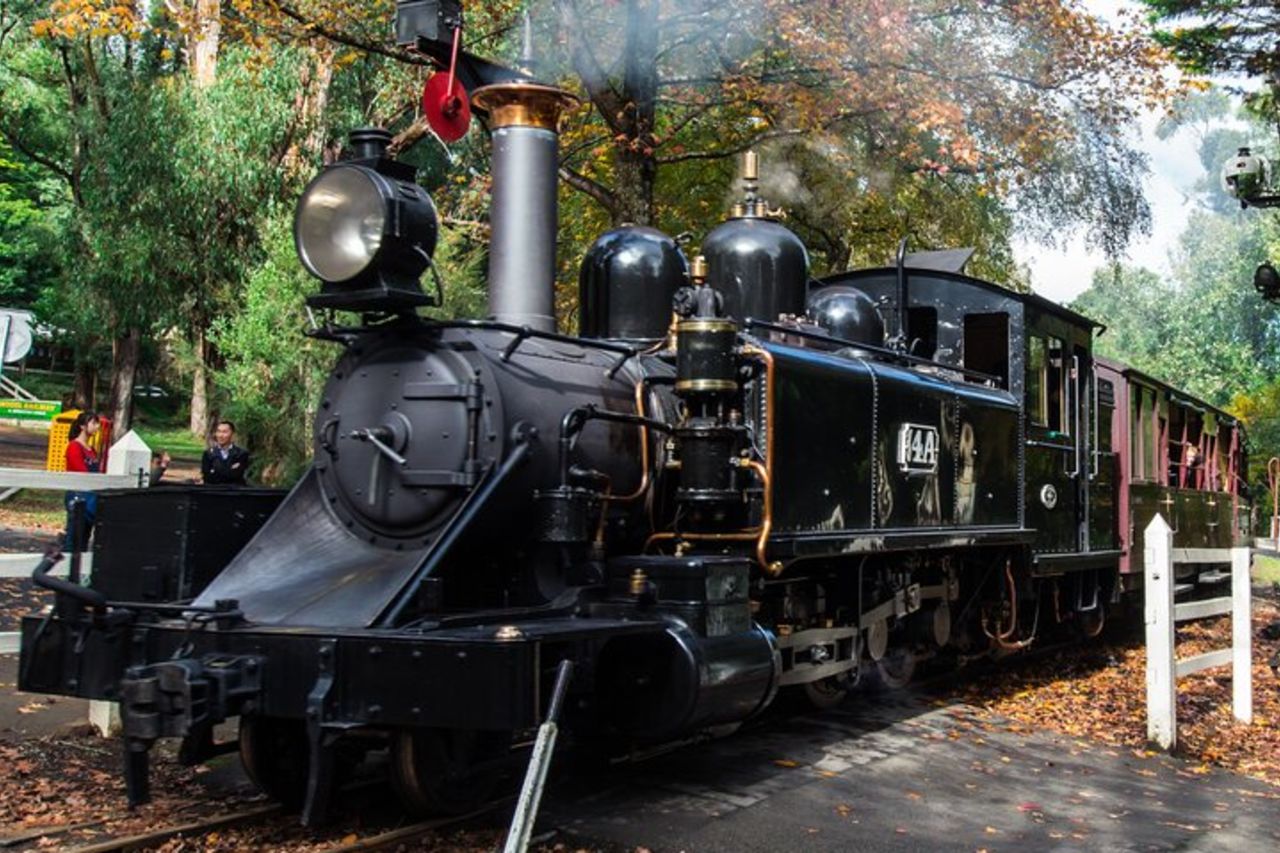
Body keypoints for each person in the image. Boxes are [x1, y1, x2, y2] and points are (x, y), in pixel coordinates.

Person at [63, 410, 101, 552]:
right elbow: (81, 472)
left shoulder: (92, 450)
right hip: (77, 496)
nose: (97, 426)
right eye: (93, 423)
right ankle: (66, 571)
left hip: (91, 498)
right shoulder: (74, 447)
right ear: (83, 426)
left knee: (85, 537)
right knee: (73, 538)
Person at [202, 420, 250, 485]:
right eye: (218, 431)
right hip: (214, 491)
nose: (221, 435)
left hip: (235, 491)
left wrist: (215, 471)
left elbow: (237, 476)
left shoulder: (241, 454)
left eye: (225, 432)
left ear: (232, 434)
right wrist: (230, 469)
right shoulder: (208, 454)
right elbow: (207, 477)